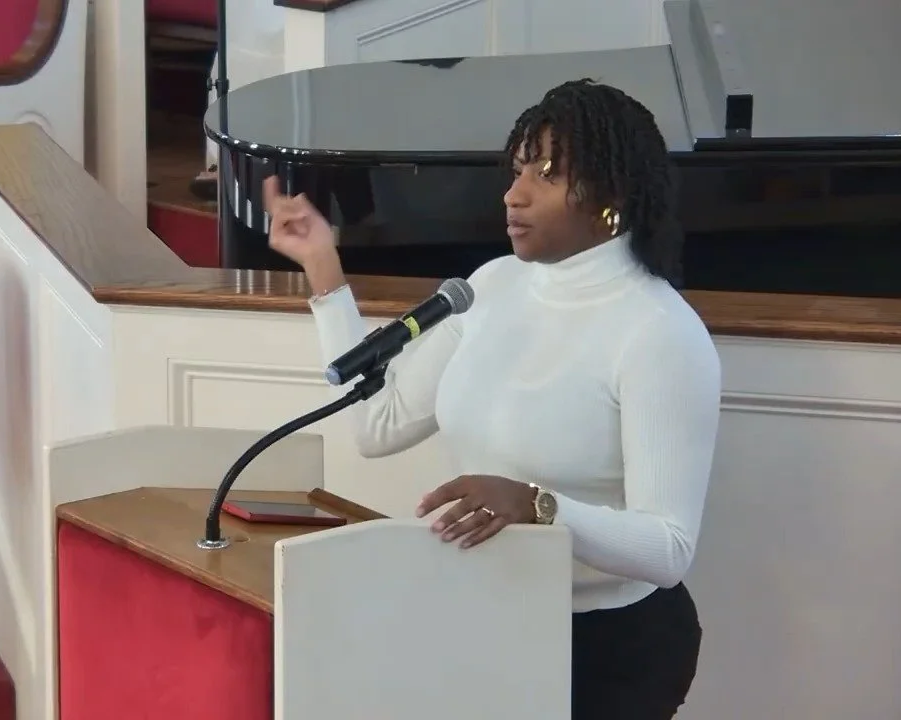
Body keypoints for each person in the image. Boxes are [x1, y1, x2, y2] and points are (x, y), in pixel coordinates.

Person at [263, 79, 720, 720]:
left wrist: (536, 505)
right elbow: (377, 424)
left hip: (606, 652)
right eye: (517, 170)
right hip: (481, 616)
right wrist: (323, 269)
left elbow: (669, 551)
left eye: (548, 173)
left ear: (612, 196)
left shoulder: (659, 334)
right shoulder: (492, 286)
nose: (515, 193)